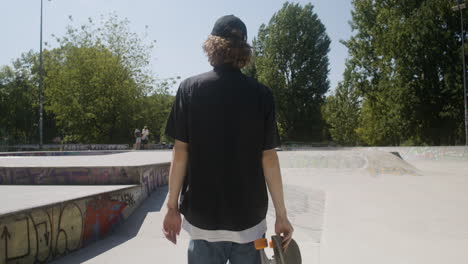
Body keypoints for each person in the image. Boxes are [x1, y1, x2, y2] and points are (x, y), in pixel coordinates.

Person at [162, 15, 293, 264]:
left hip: (203, 223)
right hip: (251, 226)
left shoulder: (189, 89)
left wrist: (171, 207)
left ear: (212, 46)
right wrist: (282, 215)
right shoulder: (262, 95)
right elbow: (269, 159)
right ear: (244, 50)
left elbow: (180, 153)